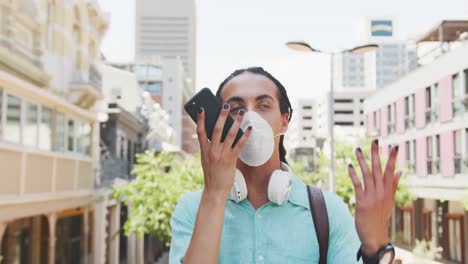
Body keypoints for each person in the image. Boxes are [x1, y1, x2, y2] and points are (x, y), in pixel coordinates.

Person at [169, 67, 402, 263]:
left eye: (263, 106)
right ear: (217, 123)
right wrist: (216, 193)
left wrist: (374, 249)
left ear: (284, 121)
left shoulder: (328, 212)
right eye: (238, 109)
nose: (251, 118)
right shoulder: (191, 210)